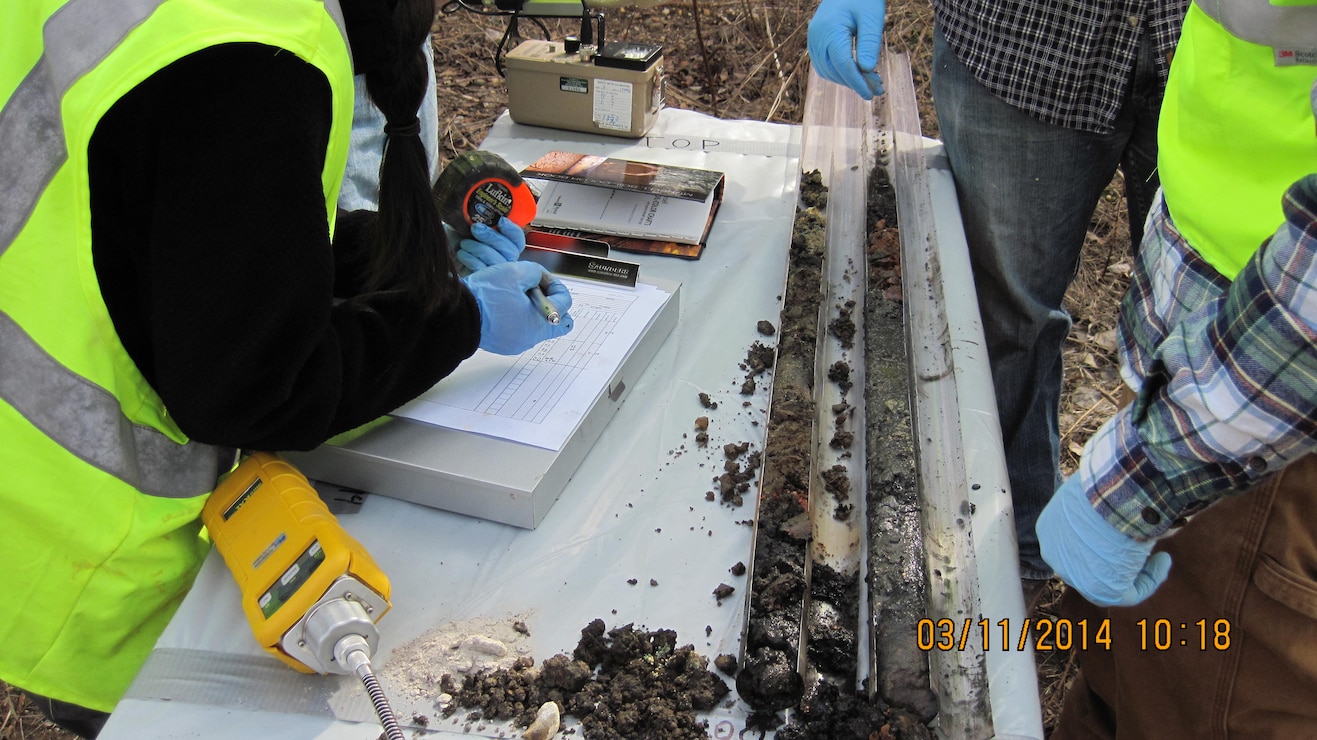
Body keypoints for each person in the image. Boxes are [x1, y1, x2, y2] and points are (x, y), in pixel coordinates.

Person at [0, 1, 572, 737]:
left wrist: (406, 257)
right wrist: (460, 320)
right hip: (80, 544)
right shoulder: (252, 53)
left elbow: (196, 227)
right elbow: (256, 383)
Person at [809, 0, 1189, 598]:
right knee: (1001, 321)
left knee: (1203, 348)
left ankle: (1171, 620)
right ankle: (1010, 563)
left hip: (1228, 68)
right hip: (1023, 42)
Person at [1035, 0, 1317, 734]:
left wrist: (1140, 484)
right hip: (1220, 370)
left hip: (1268, 425)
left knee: (1196, 701)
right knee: (1128, 670)